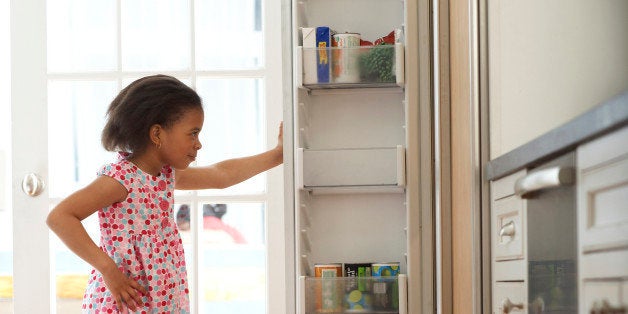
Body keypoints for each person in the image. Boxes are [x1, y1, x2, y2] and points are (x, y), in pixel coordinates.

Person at [46, 74, 283, 313]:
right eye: (193, 133)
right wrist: (108, 270)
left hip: (161, 296)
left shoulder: (166, 175)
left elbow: (221, 175)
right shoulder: (120, 179)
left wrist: (277, 155)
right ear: (157, 134)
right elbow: (60, 217)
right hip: (127, 300)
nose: (198, 143)